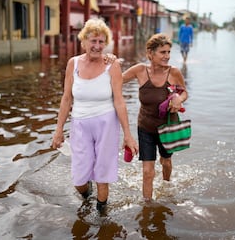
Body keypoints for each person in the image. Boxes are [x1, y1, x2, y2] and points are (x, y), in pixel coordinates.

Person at [51, 18, 139, 214]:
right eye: (93, 41)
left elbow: (119, 101)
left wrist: (128, 134)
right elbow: (66, 99)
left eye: (101, 42)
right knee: (79, 177)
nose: (97, 46)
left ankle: (101, 214)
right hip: (80, 124)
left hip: (106, 123)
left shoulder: (112, 65)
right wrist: (58, 130)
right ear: (83, 41)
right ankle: (86, 194)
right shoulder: (73, 64)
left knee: (103, 171)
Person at [122, 33, 188, 202]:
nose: (166, 56)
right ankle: (147, 205)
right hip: (145, 127)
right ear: (150, 53)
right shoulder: (139, 70)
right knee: (147, 171)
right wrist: (109, 62)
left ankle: (166, 186)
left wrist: (179, 99)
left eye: (168, 52)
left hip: (167, 128)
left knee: (166, 162)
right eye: (162, 52)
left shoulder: (173, 72)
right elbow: (116, 80)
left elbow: (185, 92)